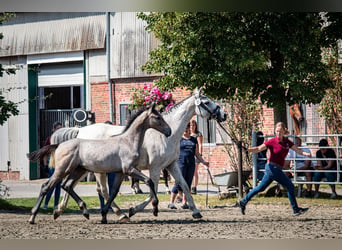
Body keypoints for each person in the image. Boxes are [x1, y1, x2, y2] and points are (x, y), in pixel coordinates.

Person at [237, 122, 311, 216]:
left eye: (280, 131)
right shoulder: (272, 141)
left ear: (284, 131)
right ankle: (295, 209)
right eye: (277, 131)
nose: (278, 133)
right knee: (290, 186)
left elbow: (297, 150)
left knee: (261, 188)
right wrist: (248, 150)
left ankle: (243, 202)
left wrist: (306, 154)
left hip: (274, 169)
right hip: (272, 167)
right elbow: (259, 148)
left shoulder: (287, 142)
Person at [168, 123, 209, 209]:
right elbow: (173, 152)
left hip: (191, 164)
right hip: (181, 164)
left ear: (189, 130)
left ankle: (184, 202)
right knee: (178, 183)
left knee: (188, 183)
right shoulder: (179, 140)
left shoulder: (193, 140)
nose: (185, 130)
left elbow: (197, 154)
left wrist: (204, 162)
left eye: (187, 128)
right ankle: (171, 203)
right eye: (184, 128)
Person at [42, 121, 63, 210]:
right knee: (52, 185)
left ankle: (55, 205)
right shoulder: (50, 139)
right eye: (58, 129)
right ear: (54, 129)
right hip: (52, 162)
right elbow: (45, 153)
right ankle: (46, 204)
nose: (59, 130)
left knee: (58, 186)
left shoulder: (63, 140)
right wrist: (45, 164)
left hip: (61, 163)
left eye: (61, 129)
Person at [98, 120, 117, 210]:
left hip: (112, 166)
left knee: (112, 186)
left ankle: (109, 204)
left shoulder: (114, 141)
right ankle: (102, 205)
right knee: (101, 186)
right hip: (102, 166)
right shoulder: (100, 140)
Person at [190, 119, 203, 195]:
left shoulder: (198, 134)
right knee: (189, 172)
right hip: (189, 154)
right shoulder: (187, 134)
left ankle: (194, 187)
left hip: (196, 155)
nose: (192, 127)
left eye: (193, 125)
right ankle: (190, 186)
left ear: (196, 126)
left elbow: (200, 144)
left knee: (194, 171)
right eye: (191, 126)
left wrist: (200, 154)